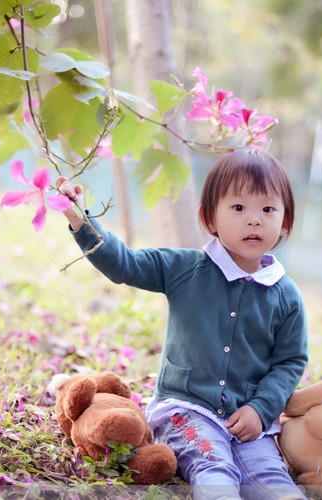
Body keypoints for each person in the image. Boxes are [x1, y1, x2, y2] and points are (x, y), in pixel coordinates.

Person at [56, 149, 308, 500]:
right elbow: (123, 264)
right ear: (210, 218)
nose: (254, 220)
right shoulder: (185, 268)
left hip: (249, 421)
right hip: (187, 412)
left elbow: (290, 360)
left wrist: (260, 409)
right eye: (238, 208)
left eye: (267, 209)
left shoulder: (285, 295)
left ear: (284, 221)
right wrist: (80, 218)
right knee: (214, 469)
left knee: (270, 477)